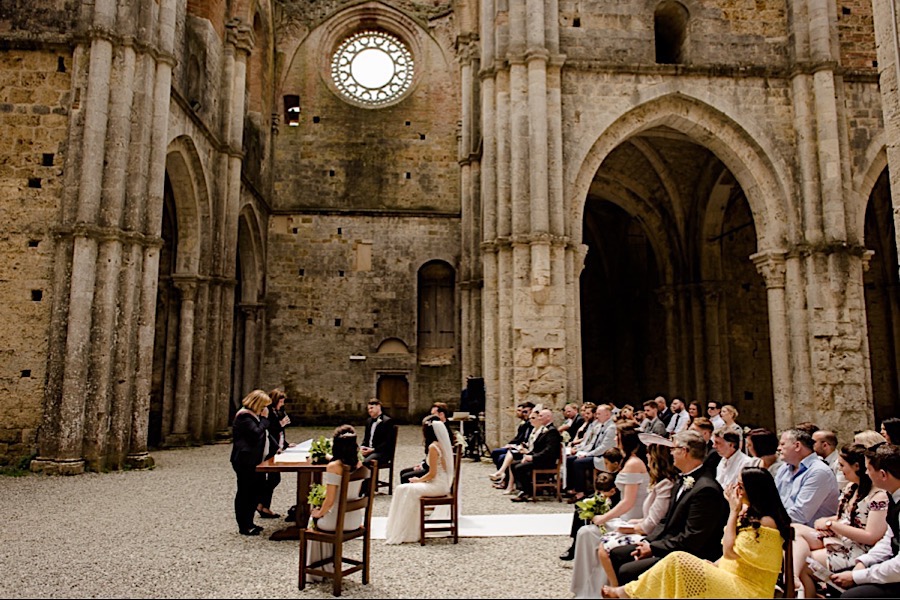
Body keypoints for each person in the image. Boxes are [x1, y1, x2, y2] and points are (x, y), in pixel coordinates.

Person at [602, 466, 791, 599]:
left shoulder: (767, 522)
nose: (736, 489)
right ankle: (627, 592)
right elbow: (730, 556)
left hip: (749, 590)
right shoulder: (749, 513)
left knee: (677, 560)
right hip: (731, 577)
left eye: (740, 486)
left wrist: (733, 511)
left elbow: (730, 551)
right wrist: (715, 565)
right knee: (676, 569)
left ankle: (626, 593)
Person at [608, 430, 729, 585]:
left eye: (674, 449)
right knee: (617, 554)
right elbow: (666, 521)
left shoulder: (706, 489)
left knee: (627, 570)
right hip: (671, 542)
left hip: (691, 554)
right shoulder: (682, 479)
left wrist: (653, 548)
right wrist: (647, 542)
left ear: (684, 452)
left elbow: (692, 537)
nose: (671, 453)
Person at [791, 443, 889, 597]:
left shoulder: (879, 497)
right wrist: (826, 521)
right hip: (841, 538)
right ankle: (793, 575)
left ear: (857, 466)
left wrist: (832, 525)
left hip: (858, 548)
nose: (839, 469)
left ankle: (801, 586)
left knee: (806, 562)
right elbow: (845, 516)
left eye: (842, 465)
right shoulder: (851, 487)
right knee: (794, 529)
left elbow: (871, 536)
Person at [830, 443, 900, 597]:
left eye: (868, 469)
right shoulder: (893, 496)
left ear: (882, 475)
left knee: (851, 595)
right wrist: (864, 561)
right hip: (892, 564)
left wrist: (858, 576)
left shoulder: (883, 496)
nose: (866, 474)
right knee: (836, 582)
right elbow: (889, 538)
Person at [305, 425, 369, 579]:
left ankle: (318, 571)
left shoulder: (334, 467)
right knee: (321, 516)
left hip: (337, 522)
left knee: (313, 519)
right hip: (354, 519)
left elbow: (330, 500)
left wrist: (318, 512)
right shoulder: (360, 465)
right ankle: (326, 566)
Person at [384, 415, 455, 544]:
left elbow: (432, 473)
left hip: (437, 485)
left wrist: (418, 480)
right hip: (442, 483)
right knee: (402, 489)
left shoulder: (433, 447)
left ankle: (406, 530)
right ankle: (405, 528)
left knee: (404, 489)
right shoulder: (440, 445)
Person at [775, 427, 840, 526]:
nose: (778, 448)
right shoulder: (784, 468)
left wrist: (768, 522)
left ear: (797, 446)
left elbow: (800, 515)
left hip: (812, 533)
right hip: (784, 527)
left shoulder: (819, 472)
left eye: (783, 444)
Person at [230, 389, 272, 536]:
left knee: (255, 492)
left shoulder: (253, 416)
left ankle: (250, 522)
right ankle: (244, 525)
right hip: (245, 461)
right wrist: (265, 420)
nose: (264, 410)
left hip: (255, 460)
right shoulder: (244, 417)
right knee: (245, 492)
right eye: (263, 406)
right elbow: (255, 434)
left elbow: (264, 435)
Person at [511, 408, 562, 502]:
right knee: (514, 464)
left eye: (541, 416)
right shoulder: (544, 429)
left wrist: (532, 457)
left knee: (520, 467)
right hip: (540, 458)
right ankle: (524, 489)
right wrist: (528, 455)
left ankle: (527, 492)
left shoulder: (552, 431)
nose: (539, 418)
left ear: (548, 417)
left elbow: (549, 452)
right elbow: (537, 448)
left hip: (546, 462)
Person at [257, 388, 292, 519]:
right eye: (281, 401)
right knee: (274, 478)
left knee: (273, 478)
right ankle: (262, 504)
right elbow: (270, 431)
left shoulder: (278, 412)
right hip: (271, 449)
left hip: (277, 447)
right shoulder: (269, 413)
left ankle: (263, 505)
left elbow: (280, 433)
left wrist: (286, 444)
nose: (282, 404)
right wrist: (281, 424)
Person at [489, 402, 534, 475]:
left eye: (525, 412)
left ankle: (503, 477)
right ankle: (501, 475)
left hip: (524, 449)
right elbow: (518, 437)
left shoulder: (532, 425)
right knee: (495, 452)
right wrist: (510, 444)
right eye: (522, 412)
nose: (523, 414)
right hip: (519, 447)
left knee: (502, 457)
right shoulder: (525, 424)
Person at [360, 398, 393, 466]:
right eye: (368, 409)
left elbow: (387, 442)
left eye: (372, 408)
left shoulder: (387, 421)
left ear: (378, 406)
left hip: (381, 452)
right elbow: (366, 438)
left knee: (365, 462)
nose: (370, 411)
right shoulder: (369, 421)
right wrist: (362, 447)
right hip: (369, 451)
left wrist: (373, 450)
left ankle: (371, 476)